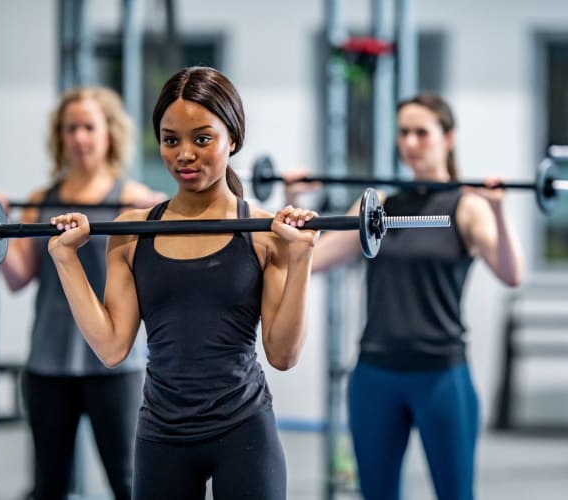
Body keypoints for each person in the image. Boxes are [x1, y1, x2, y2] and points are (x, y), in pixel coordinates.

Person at [47, 66, 319, 500]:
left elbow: (283, 355)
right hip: (162, 436)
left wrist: (302, 255)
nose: (185, 154)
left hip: (243, 432)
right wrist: (66, 259)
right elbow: (113, 347)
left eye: (202, 138)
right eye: (171, 139)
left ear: (234, 138)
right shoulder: (132, 230)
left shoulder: (265, 233)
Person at [285, 93, 525, 500]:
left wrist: (499, 211)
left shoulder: (467, 208)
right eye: (403, 133)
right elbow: (309, 260)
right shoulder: (377, 207)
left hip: (441, 375)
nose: (411, 143)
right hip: (376, 373)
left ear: (448, 139)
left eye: (422, 133)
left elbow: (512, 273)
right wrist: (293, 203)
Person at [0, 86, 165, 500]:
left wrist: (163, 217)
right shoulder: (40, 201)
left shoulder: (135, 201)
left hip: (113, 367)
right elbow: (18, 279)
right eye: (71, 128)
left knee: (128, 482)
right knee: (50, 486)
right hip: (47, 364)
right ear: (60, 136)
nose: (80, 137)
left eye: (89, 126)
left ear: (108, 133)